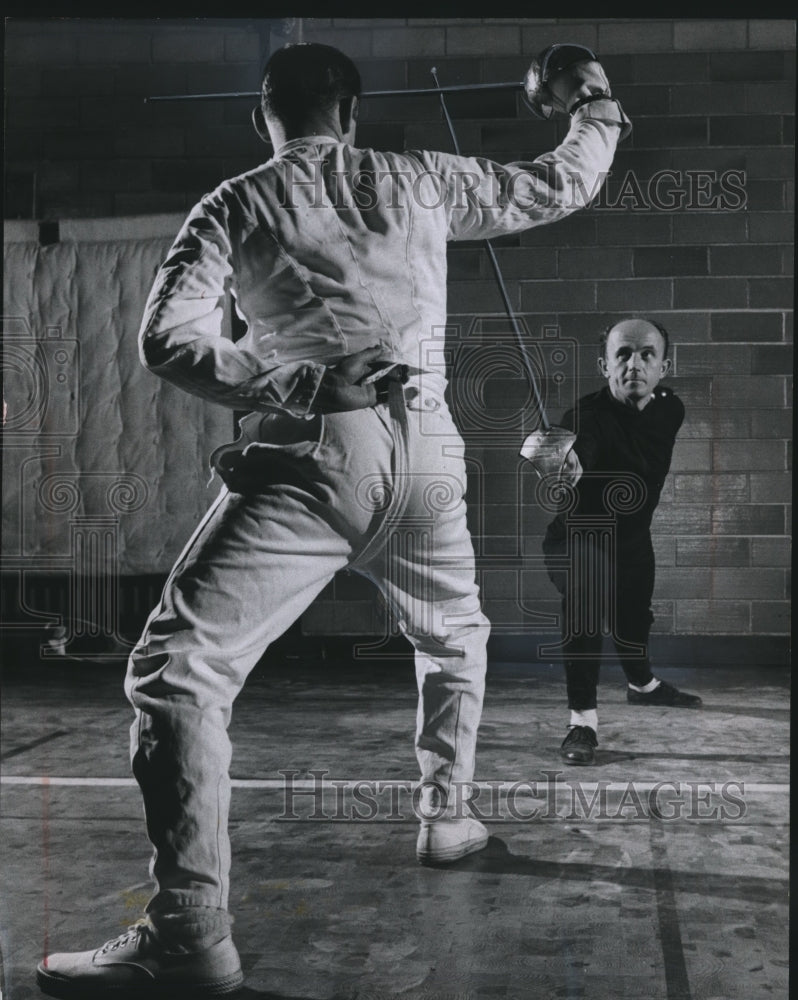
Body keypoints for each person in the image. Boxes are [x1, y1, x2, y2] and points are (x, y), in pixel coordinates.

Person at [37, 42, 631, 997]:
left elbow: (165, 339)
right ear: (352, 114)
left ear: (262, 117)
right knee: (455, 636)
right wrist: (593, 101)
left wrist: (294, 378)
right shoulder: (421, 177)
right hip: (432, 449)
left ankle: (189, 930)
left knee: (177, 671)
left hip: (320, 448)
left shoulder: (235, 202)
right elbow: (557, 185)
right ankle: (448, 818)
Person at [540, 318, 702, 768]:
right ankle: (582, 722)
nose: (635, 363)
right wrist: (568, 463)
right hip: (579, 536)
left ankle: (642, 686)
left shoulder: (671, 408)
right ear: (604, 365)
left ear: (663, 366)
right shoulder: (584, 417)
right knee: (588, 603)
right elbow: (582, 448)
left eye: (647, 354)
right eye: (623, 355)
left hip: (632, 539)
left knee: (633, 620)